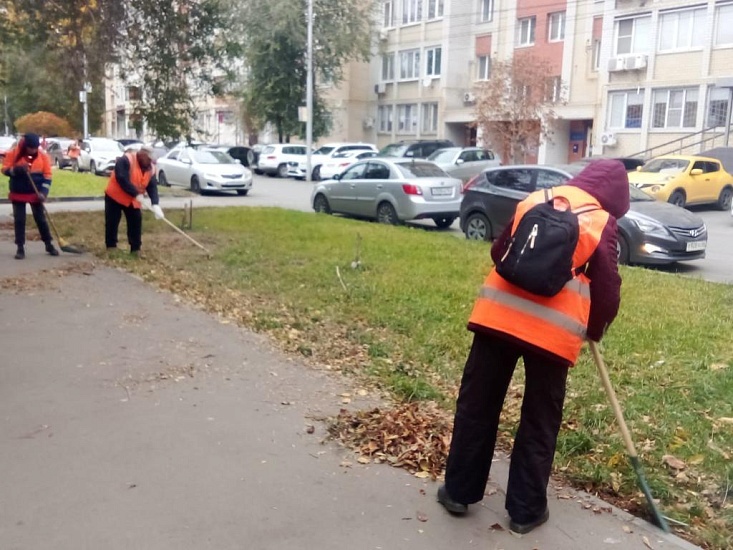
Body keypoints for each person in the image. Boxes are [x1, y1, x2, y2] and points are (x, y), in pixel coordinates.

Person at [437, 160, 631, 534]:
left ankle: (458, 491)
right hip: (552, 335)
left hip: (496, 319)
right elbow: (607, 290)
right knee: (540, 420)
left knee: (477, 404)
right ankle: (526, 511)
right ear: (616, 199)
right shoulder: (601, 221)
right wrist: (596, 328)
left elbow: (500, 252)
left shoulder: (535, 198)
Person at [1, 132, 59, 259]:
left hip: (35, 192)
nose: (33, 150)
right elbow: (4, 170)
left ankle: (48, 244)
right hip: (18, 192)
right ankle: (20, 247)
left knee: (41, 219)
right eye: (30, 148)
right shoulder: (13, 153)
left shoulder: (42, 157)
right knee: (20, 220)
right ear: (25, 146)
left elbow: (48, 176)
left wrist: (43, 193)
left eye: (35, 148)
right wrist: (17, 170)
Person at [104, 144, 164, 256]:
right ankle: (111, 246)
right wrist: (135, 193)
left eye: (151, 160)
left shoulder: (151, 169)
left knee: (136, 221)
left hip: (133, 199)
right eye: (148, 159)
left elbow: (152, 187)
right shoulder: (126, 160)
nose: (150, 162)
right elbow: (121, 178)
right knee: (112, 221)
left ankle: (136, 249)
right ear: (142, 155)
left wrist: (155, 204)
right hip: (115, 196)